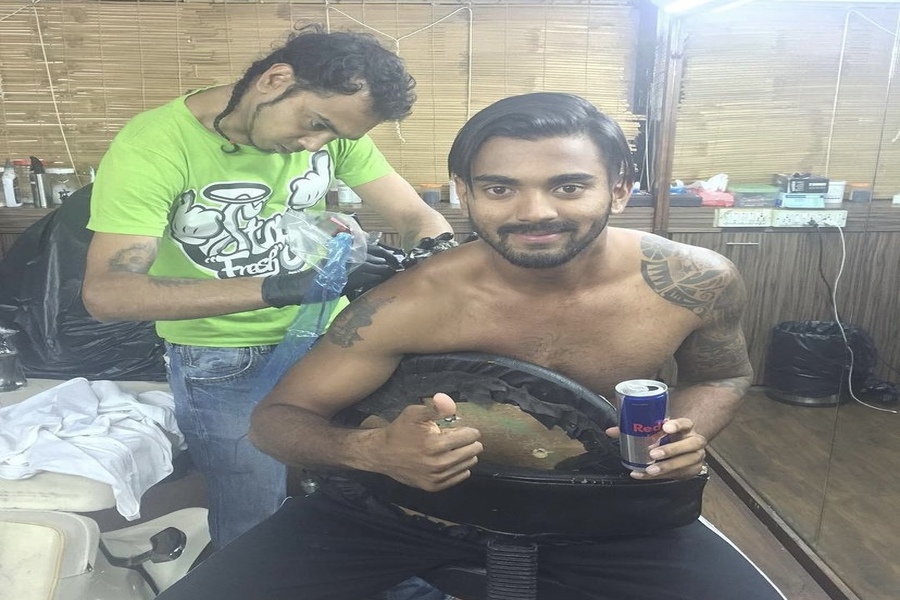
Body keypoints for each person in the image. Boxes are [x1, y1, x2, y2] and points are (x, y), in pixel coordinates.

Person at [154, 92, 787, 599]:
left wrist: (675, 439)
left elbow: (721, 376)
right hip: (399, 510)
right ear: (465, 192)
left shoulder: (691, 283)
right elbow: (275, 421)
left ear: (619, 188)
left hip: (605, 508)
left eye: (568, 186)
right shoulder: (411, 301)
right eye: (500, 188)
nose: (533, 212)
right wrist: (372, 451)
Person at [82, 24, 454, 552]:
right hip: (222, 359)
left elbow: (417, 216)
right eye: (315, 125)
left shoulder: (332, 129)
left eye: (334, 138)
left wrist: (429, 256)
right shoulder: (155, 147)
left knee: (368, 490)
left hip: (333, 343)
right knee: (251, 517)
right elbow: (108, 294)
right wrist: (282, 288)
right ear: (275, 80)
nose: (314, 146)